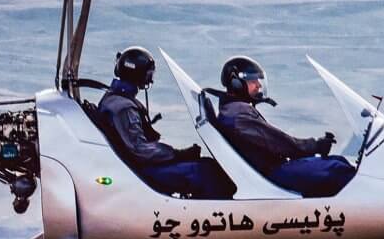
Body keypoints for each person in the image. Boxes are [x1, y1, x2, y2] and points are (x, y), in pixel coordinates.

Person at [93, 48, 235, 199]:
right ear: (138, 73)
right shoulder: (123, 107)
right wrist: (177, 154)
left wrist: (178, 154)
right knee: (208, 172)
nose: (151, 79)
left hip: (142, 165)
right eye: (149, 74)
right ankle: (214, 216)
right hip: (144, 170)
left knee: (208, 165)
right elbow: (139, 149)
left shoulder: (118, 100)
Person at [213, 56, 357, 196]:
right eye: (252, 80)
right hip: (272, 174)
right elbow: (277, 142)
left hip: (269, 171)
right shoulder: (238, 113)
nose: (259, 85)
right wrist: (315, 146)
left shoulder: (233, 110)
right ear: (236, 83)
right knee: (337, 170)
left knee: (338, 161)